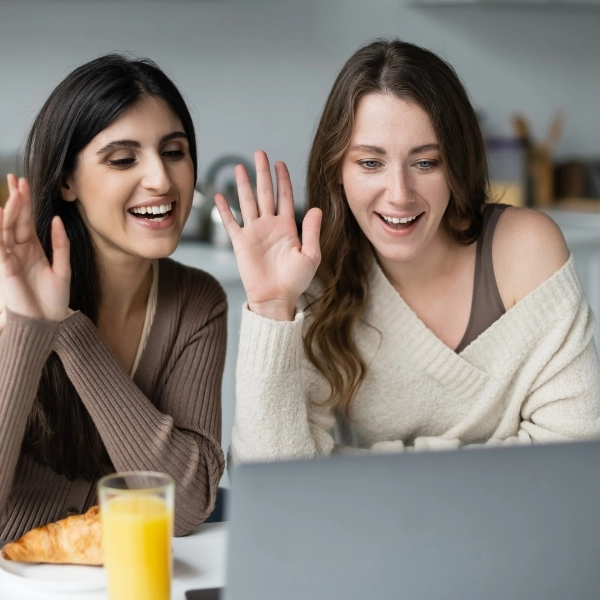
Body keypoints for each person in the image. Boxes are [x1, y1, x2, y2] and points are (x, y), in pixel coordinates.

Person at [215, 39, 600, 462]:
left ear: (457, 165)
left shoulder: (525, 248)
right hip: (371, 528)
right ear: (336, 170)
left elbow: (575, 457)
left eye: (425, 163)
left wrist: (357, 468)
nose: (399, 195)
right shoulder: (313, 273)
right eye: (370, 163)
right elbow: (272, 482)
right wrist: (272, 308)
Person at [0, 55, 226, 540]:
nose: (161, 181)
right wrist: (27, 325)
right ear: (66, 181)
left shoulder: (196, 302)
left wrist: (68, 328)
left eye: (174, 152)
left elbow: (185, 508)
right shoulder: (9, 290)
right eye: (123, 159)